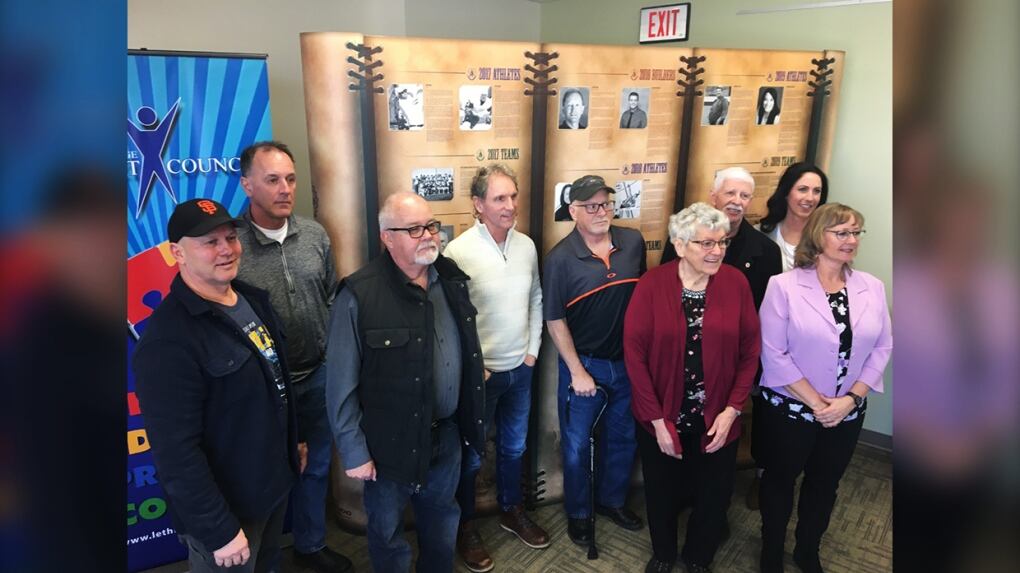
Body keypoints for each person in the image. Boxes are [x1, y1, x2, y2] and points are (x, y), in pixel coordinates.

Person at [133, 198, 304, 573]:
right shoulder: (168, 340)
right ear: (177, 253)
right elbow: (175, 453)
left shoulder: (252, 300)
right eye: (210, 242)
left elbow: (275, 381)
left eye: (230, 237)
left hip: (272, 486)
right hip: (228, 515)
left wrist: (296, 440)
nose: (227, 249)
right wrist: (219, 530)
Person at [325, 192, 486, 573]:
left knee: (442, 523)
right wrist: (354, 451)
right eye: (414, 229)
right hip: (386, 446)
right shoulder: (359, 294)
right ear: (387, 237)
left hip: (446, 435)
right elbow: (340, 385)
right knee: (387, 535)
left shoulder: (451, 278)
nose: (429, 235)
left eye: (430, 225)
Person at [625, 202, 761, 573]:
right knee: (661, 490)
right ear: (680, 244)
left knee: (714, 493)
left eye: (722, 242)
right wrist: (655, 420)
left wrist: (733, 409)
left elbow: (750, 350)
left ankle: (699, 557)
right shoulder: (652, 284)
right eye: (706, 243)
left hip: (718, 415)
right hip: (662, 414)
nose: (717, 251)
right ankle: (664, 553)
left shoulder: (736, 283)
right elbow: (634, 355)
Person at [233, 142, 350, 573]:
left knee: (315, 467)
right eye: (272, 180)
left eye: (291, 179)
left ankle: (310, 544)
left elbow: (332, 296)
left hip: (317, 374)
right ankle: (264, 558)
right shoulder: (232, 244)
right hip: (263, 389)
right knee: (267, 475)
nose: (285, 189)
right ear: (247, 185)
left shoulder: (314, 235)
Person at [757, 203, 892, 573]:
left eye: (856, 233)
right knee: (779, 482)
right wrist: (818, 403)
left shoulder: (872, 287)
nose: (851, 240)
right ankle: (771, 551)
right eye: (842, 232)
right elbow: (773, 352)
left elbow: (883, 347)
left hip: (846, 412)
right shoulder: (783, 286)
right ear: (819, 235)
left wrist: (851, 399)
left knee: (824, 484)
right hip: (790, 409)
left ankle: (807, 549)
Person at [444, 165, 548, 572]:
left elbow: (536, 297)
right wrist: (475, 367)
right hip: (480, 378)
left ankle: (511, 509)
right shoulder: (458, 252)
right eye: (499, 198)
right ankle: (464, 525)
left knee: (513, 448)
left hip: (521, 369)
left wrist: (532, 352)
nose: (510, 205)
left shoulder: (526, 246)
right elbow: (452, 319)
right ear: (478, 204)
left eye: (513, 196)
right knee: (471, 457)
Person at [661, 167, 783, 509]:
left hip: (732, 364)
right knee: (685, 437)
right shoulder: (683, 237)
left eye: (744, 195)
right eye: (730, 193)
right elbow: (666, 290)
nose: (737, 201)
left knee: (720, 443)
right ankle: (684, 498)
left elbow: (766, 315)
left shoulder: (765, 251)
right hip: (684, 362)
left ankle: (713, 512)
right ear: (713, 196)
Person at [544, 174, 646, 546]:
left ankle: (611, 501)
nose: (601, 212)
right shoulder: (559, 259)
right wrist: (576, 371)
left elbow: (644, 299)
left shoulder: (633, 242)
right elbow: (555, 319)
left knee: (623, 438)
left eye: (605, 204)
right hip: (585, 366)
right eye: (591, 206)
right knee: (576, 446)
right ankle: (579, 513)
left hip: (628, 364)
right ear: (573, 211)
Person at [757, 162, 829, 271]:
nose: (810, 198)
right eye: (803, 189)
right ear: (786, 192)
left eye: (817, 191)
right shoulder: (761, 234)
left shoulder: (828, 237)